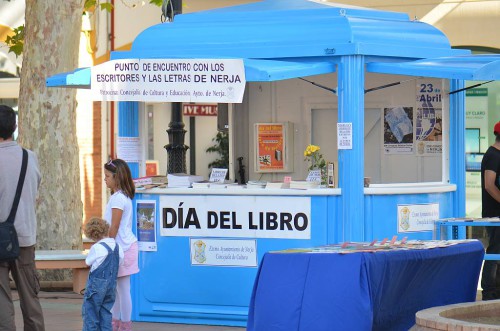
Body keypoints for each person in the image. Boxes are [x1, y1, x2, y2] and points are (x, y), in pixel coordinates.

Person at [0, 105, 45, 330]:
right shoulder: (31, 157)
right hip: (25, 238)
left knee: (1, 302)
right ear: (15, 127)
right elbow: (34, 189)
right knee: (30, 298)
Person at [103, 159, 139, 331]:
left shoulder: (118, 199)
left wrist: (108, 246)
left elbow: (114, 226)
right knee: (118, 290)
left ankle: (124, 325)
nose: (105, 179)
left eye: (107, 176)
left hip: (122, 249)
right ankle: (116, 322)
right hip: (124, 247)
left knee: (123, 290)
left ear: (117, 178)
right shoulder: (122, 196)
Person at [82, 217, 124, 331]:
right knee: (106, 313)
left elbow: (87, 262)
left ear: (93, 235)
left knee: (91, 313)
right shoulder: (118, 247)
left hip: (96, 285)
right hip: (111, 285)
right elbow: (121, 262)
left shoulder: (96, 247)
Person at [480, 121, 500, 300]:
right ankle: (489, 291)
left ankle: (496, 290)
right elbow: (489, 185)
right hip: (494, 215)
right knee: (495, 250)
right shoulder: (493, 155)